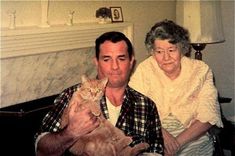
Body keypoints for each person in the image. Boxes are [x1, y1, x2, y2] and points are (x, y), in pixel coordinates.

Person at [35, 31, 164, 156]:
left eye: (121, 58)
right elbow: (41, 151)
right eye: (107, 59)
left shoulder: (147, 106)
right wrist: (71, 132)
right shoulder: (71, 95)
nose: (115, 66)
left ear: (131, 62)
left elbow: (155, 151)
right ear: (96, 62)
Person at [129, 20, 223, 156]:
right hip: (154, 131)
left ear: (182, 48)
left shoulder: (201, 70)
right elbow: (134, 108)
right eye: (159, 51)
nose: (166, 57)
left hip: (192, 134)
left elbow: (208, 115)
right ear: (152, 52)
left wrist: (177, 143)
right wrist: (160, 132)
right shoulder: (145, 69)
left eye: (171, 50)